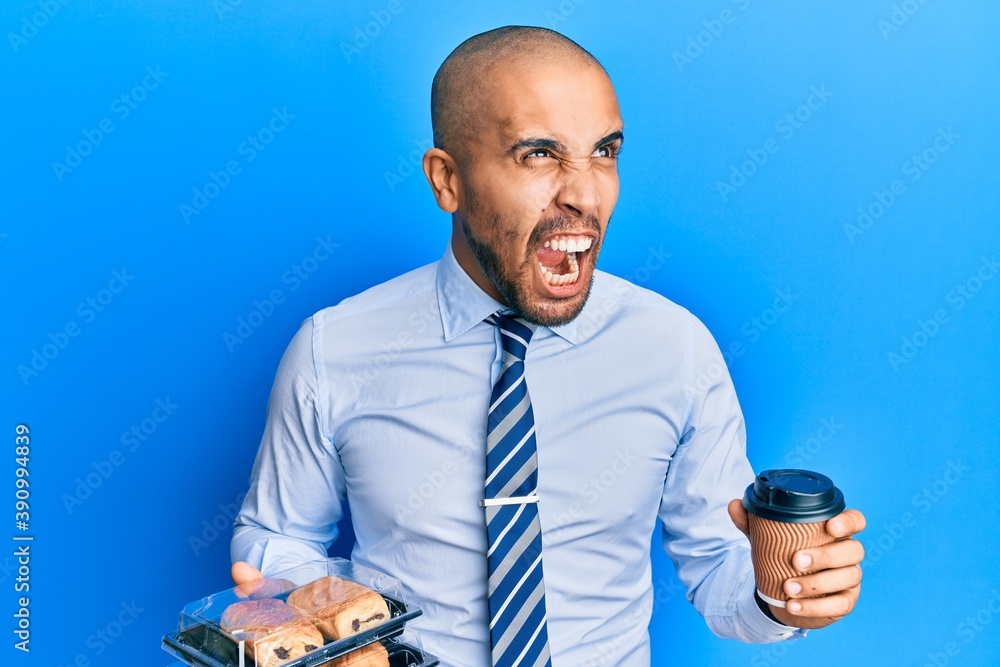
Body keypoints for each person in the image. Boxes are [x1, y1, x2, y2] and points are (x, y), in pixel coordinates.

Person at [230, 25, 865, 666]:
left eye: (605, 151)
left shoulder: (674, 348)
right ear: (446, 180)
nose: (585, 195)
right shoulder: (333, 349)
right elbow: (278, 531)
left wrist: (782, 594)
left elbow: (717, 566)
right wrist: (310, 613)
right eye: (538, 154)